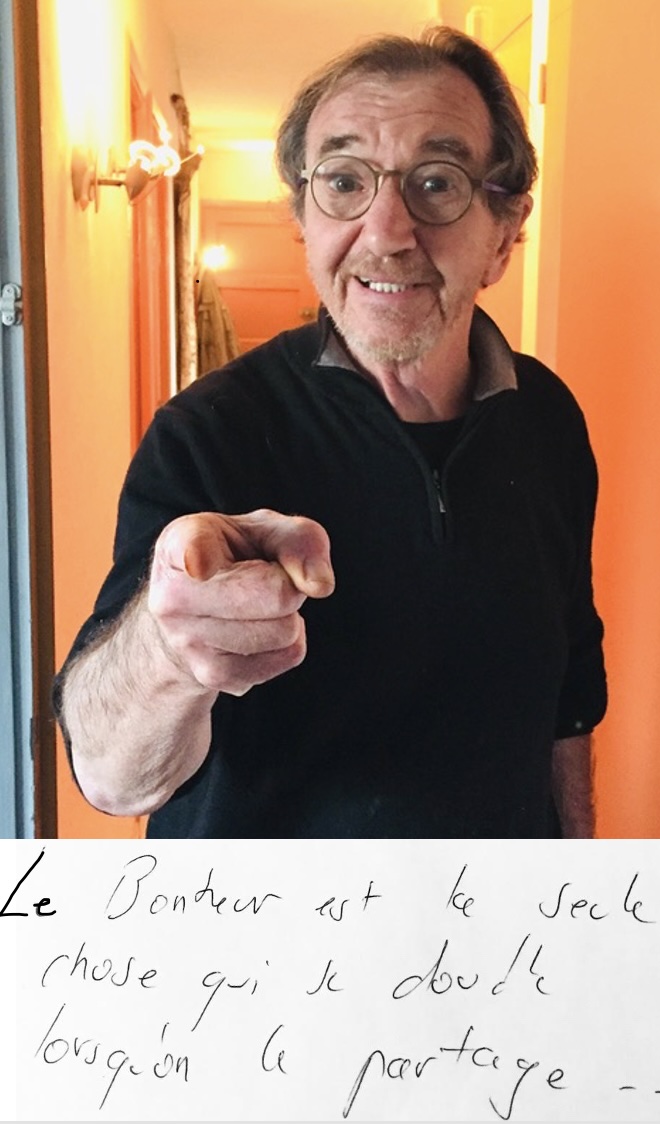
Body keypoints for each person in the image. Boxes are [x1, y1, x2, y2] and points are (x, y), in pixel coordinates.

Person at [54, 26, 607, 839]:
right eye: (343, 181)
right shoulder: (208, 432)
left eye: (437, 182)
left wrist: (579, 878)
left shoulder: (548, 418)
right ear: (303, 221)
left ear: (504, 231)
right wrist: (167, 651)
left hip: (495, 918)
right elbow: (109, 777)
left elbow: (570, 693)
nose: (386, 230)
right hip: (265, 923)